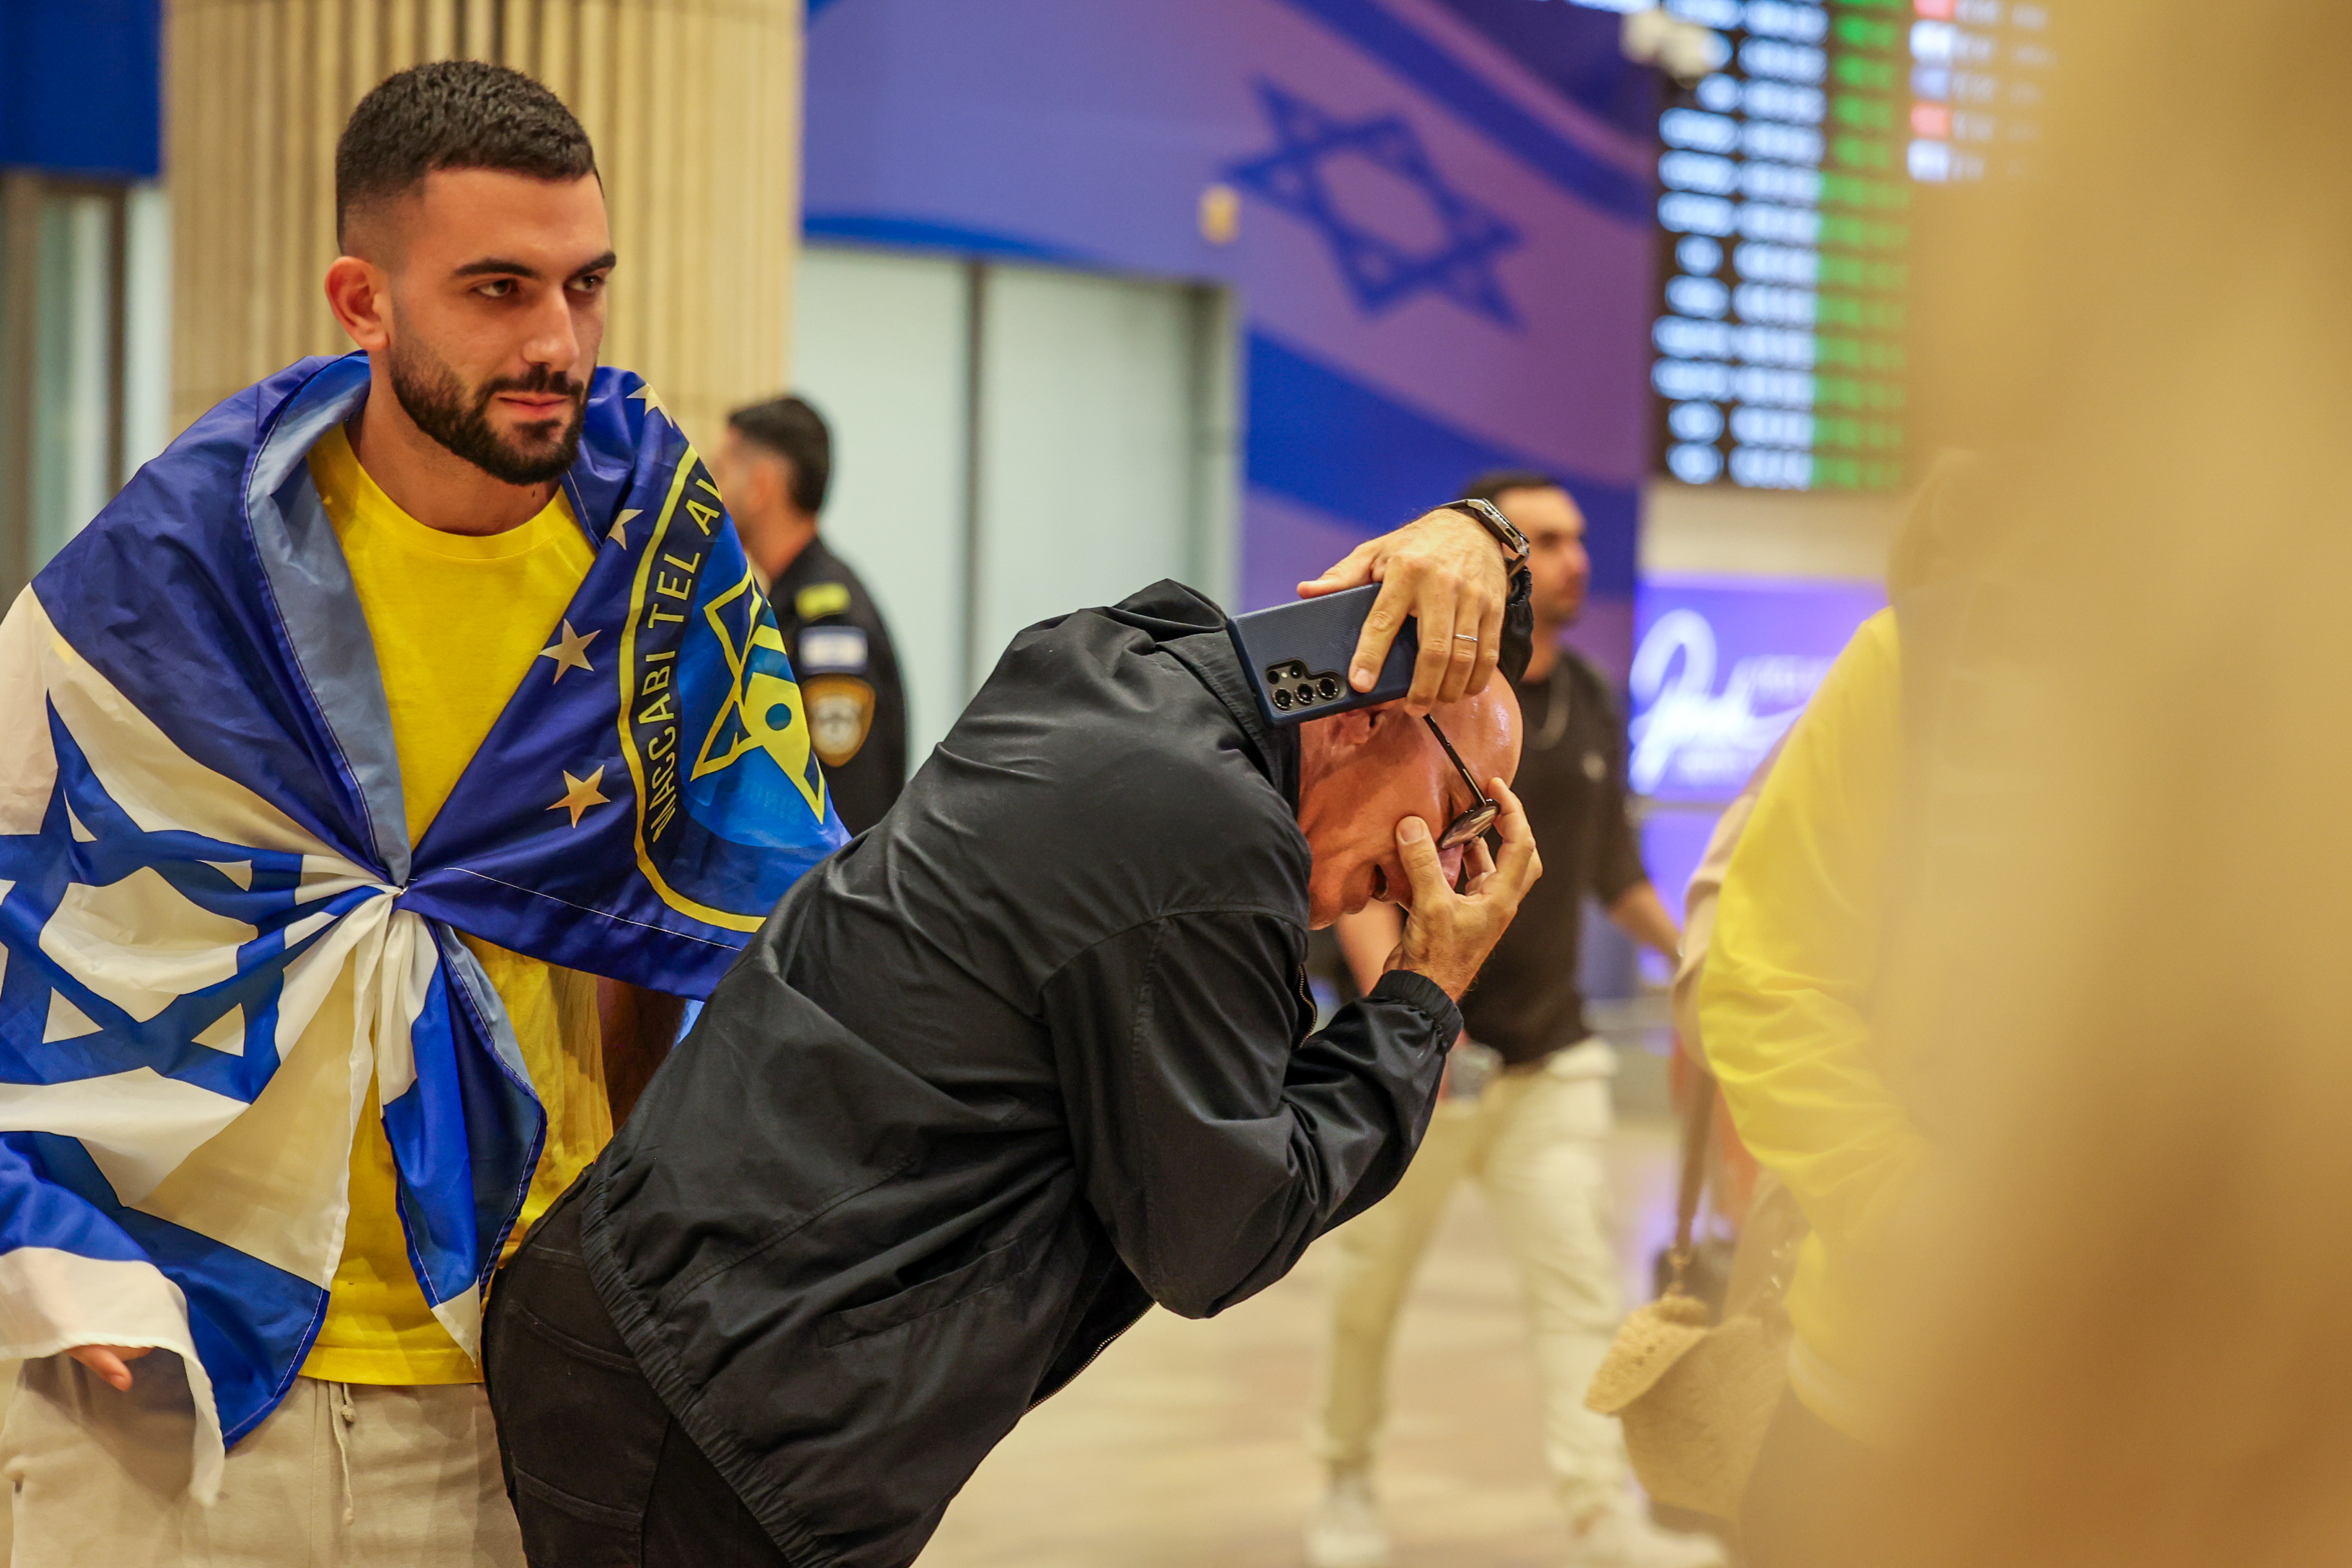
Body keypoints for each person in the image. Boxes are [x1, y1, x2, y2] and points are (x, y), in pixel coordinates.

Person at [0, 62, 841, 1567]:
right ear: (362, 296)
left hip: (518, 1390)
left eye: (586, 287)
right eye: (498, 288)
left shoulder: (663, 585)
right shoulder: (166, 583)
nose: (556, 342)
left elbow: (734, 954)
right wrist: (47, 1253)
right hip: (172, 1371)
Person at [482, 506, 1544, 1567]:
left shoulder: (1112, 656)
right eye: (1459, 816)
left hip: (642, 1312)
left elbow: (1252, 649)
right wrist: (1419, 997)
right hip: (717, 1410)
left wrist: (1476, 537)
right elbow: (1222, 1235)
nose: (1446, 875)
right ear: (1363, 714)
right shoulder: (1207, 833)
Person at [1307, 470, 1720, 1568]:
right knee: (1367, 1295)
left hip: (1550, 1062)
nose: (1571, 555)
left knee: (1575, 1292)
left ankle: (1599, 1513)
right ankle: (1345, 1480)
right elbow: (1359, 870)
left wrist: (1700, 962)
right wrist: (1404, 1013)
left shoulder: (1587, 697)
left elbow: (1610, 870)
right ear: (1491, 556)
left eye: (1579, 536)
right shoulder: (1423, 693)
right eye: (1542, 536)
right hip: (1420, 1064)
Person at [710, 395, 909, 834]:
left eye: (721, 472)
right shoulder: (788, 601)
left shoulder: (830, 626)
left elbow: (844, 811)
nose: (713, 491)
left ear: (760, 486)